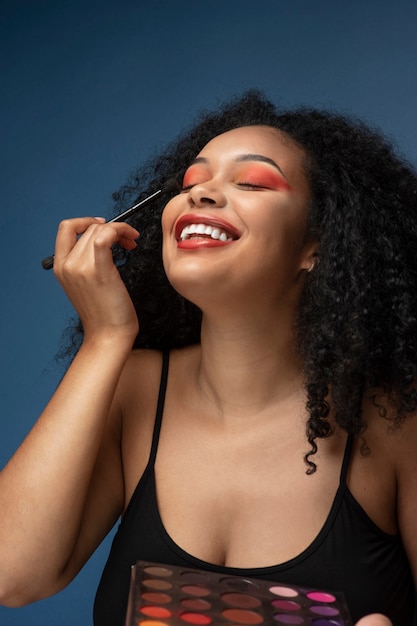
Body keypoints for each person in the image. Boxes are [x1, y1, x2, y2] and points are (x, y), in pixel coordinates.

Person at [0, 91, 416, 626]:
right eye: (192, 184)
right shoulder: (133, 389)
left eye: (251, 183)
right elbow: (13, 576)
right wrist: (105, 337)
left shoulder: (392, 419)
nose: (203, 196)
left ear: (317, 243)